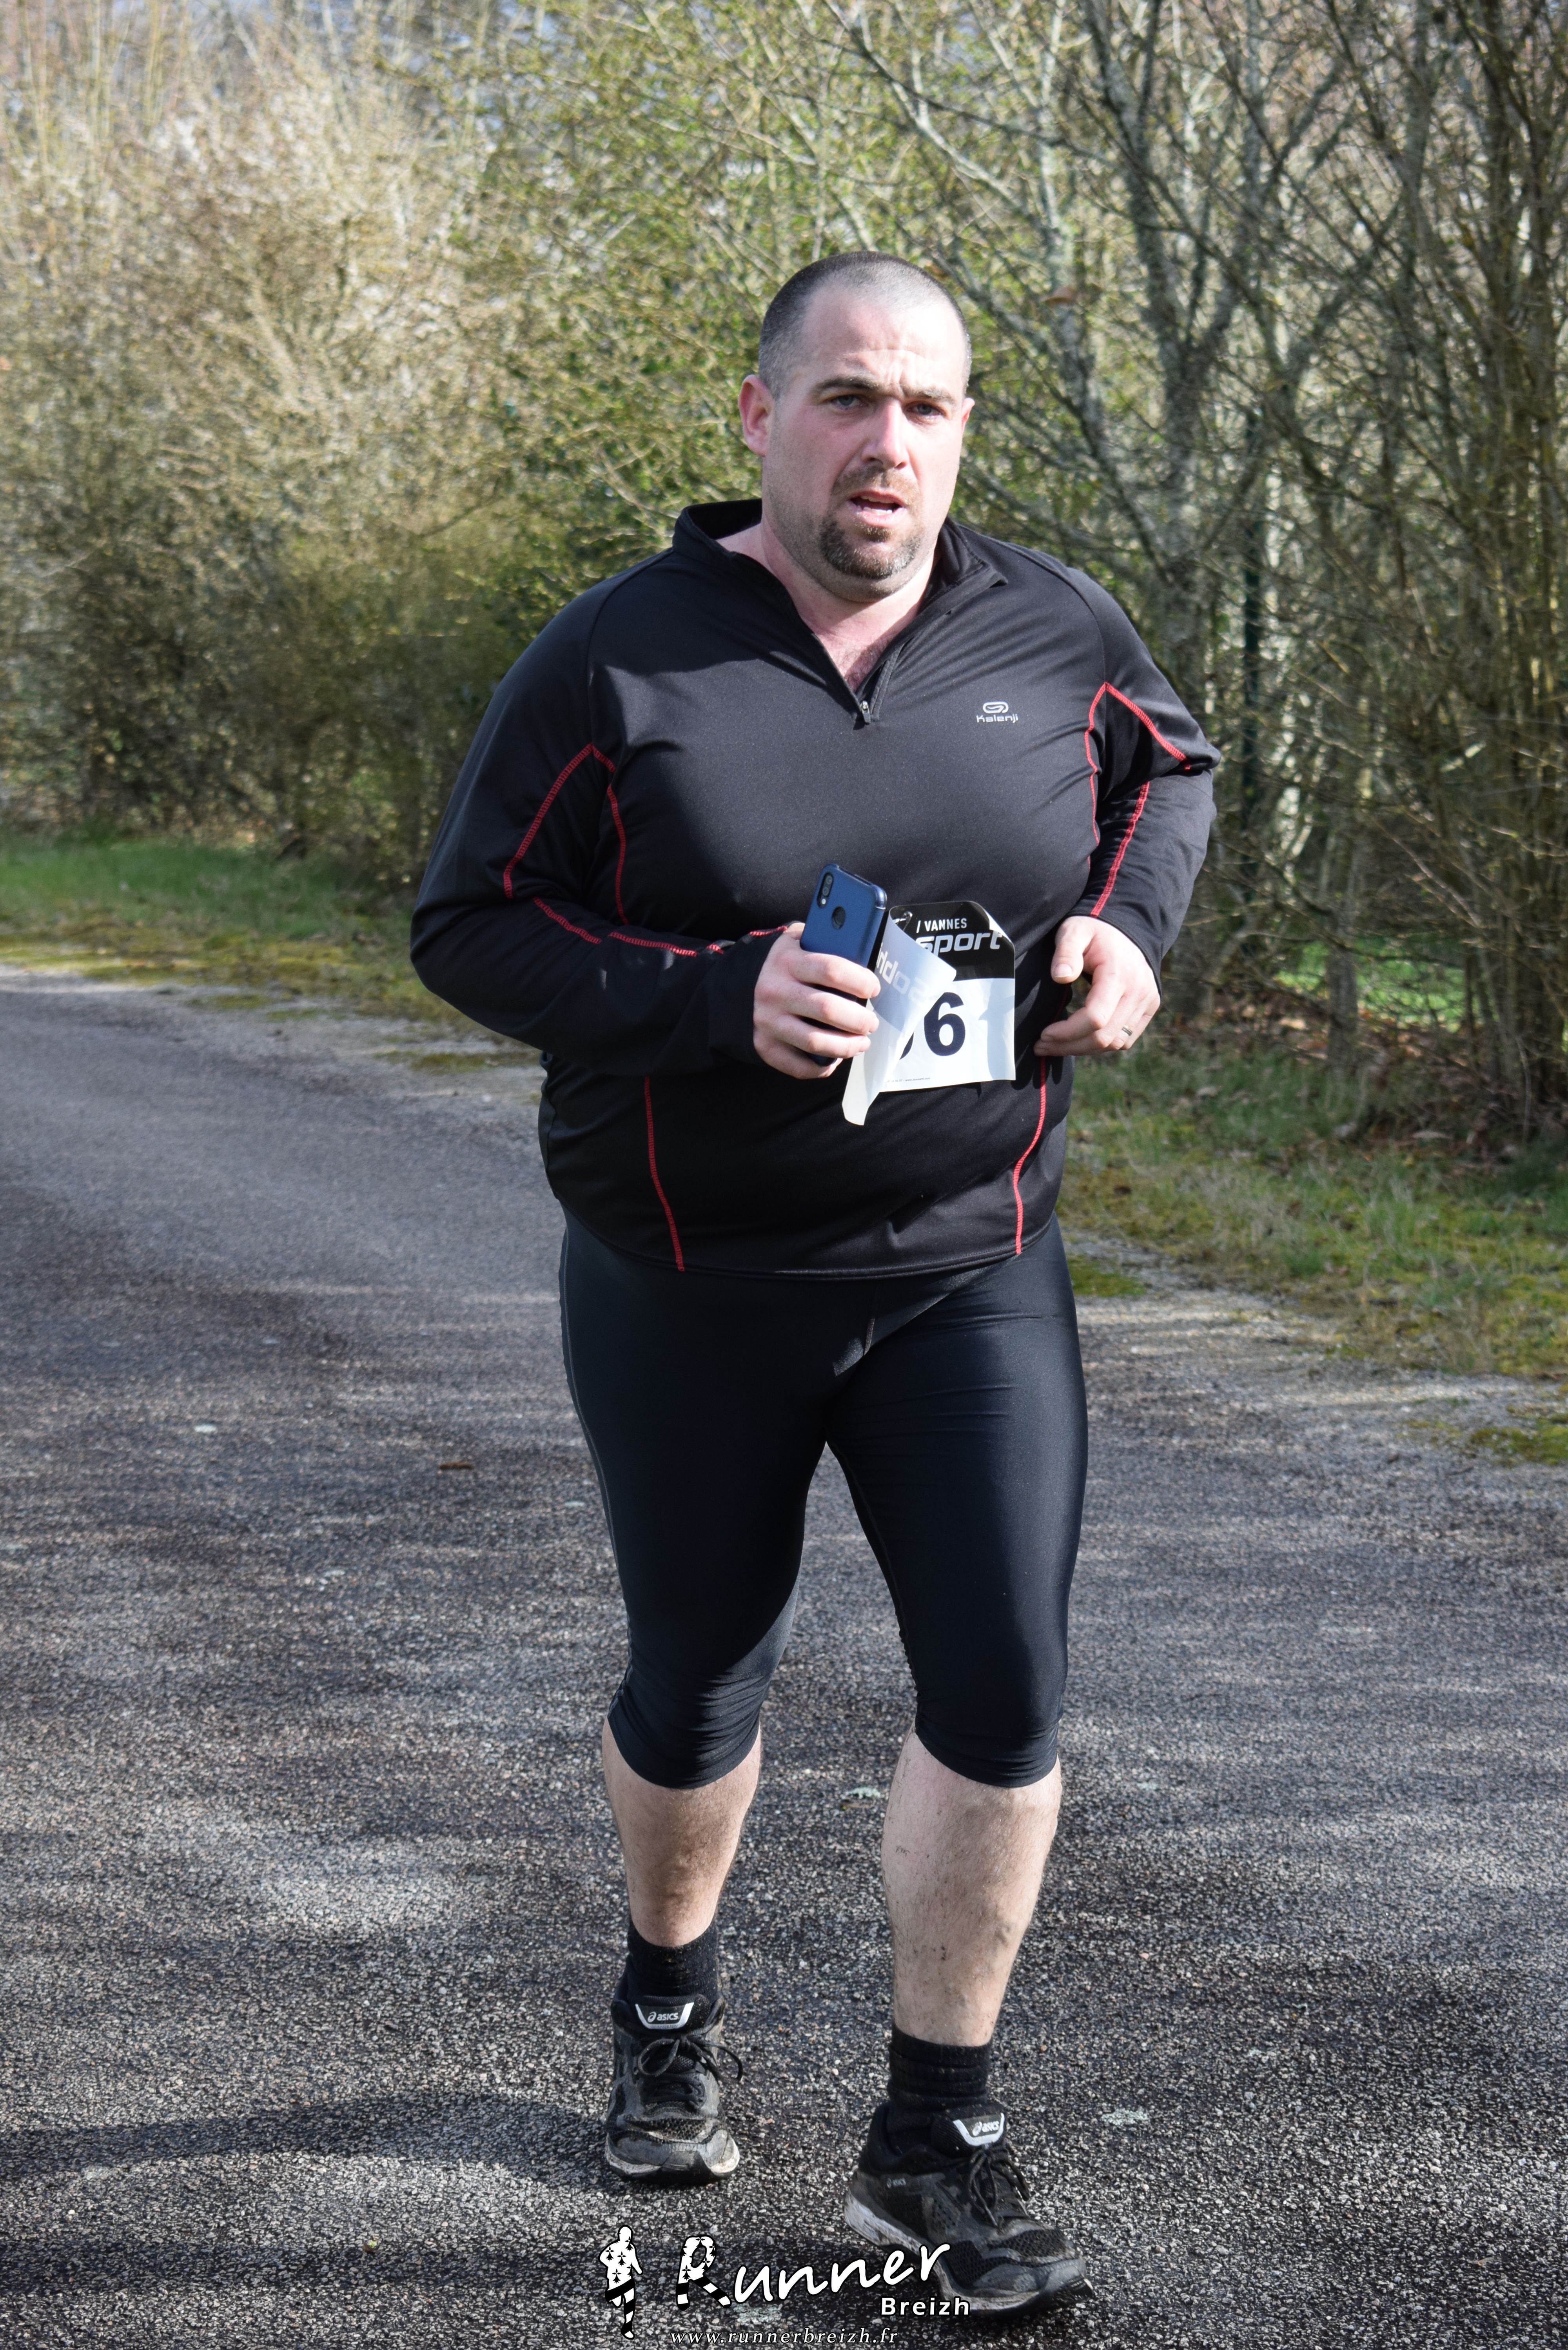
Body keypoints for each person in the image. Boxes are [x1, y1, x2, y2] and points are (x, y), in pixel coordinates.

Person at [412, 250, 1215, 2317]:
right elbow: (471, 923)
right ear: (762, 418)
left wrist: (1128, 936)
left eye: (928, 407)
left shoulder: (1055, 629)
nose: (889, 443)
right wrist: (715, 999)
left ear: (964, 435)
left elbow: (1171, 775)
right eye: (850, 398)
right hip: (691, 1274)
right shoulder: (621, 657)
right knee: (701, 1680)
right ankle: (668, 2003)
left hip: (967, 1262)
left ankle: (934, 2138)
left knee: (1005, 1693)